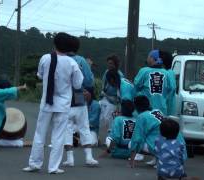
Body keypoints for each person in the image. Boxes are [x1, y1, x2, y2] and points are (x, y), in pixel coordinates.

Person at [23, 32, 84, 174]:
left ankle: (34, 164)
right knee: (58, 135)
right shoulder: (72, 62)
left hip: (46, 102)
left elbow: (40, 75)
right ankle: (53, 167)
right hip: (63, 104)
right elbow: (77, 84)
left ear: (54, 44)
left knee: (39, 133)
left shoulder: (45, 58)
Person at [62, 36, 98, 167]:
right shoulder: (81, 60)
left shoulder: (59, 60)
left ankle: (69, 159)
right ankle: (89, 157)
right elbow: (89, 81)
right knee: (84, 127)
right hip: (79, 96)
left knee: (66, 128)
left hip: (63, 99)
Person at [129, 95, 186, 168]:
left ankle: (161, 160)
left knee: (132, 143)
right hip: (180, 149)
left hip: (165, 148)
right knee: (154, 135)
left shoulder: (142, 116)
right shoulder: (157, 111)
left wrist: (131, 161)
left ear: (136, 107)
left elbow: (136, 139)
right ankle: (158, 159)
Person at [134, 50, 175, 116]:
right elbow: (171, 90)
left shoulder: (144, 71)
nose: (147, 58)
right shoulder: (166, 73)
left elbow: (136, 86)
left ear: (152, 58)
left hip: (146, 110)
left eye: (148, 56)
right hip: (161, 110)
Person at [99, 55, 134, 131]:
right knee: (101, 119)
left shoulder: (120, 75)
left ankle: (109, 138)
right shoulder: (106, 72)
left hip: (114, 100)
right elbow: (103, 84)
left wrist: (118, 102)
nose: (109, 65)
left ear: (116, 64)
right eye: (108, 63)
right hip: (104, 97)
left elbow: (119, 90)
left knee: (110, 120)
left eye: (111, 63)